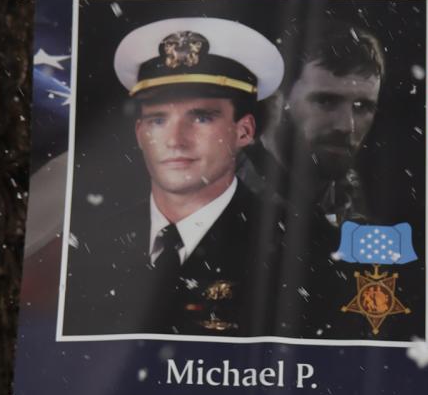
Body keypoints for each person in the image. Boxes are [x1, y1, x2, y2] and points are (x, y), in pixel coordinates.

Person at [62, 17, 285, 337]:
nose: (176, 140)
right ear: (139, 133)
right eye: (157, 119)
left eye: (202, 117)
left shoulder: (294, 247)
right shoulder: (88, 246)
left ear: (244, 131)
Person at [239, 16, 385, 227]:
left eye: (362, 107)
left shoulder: (350, 196)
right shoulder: (218, 198)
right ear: (275, 100)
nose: (347, 126)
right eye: (326, 101)